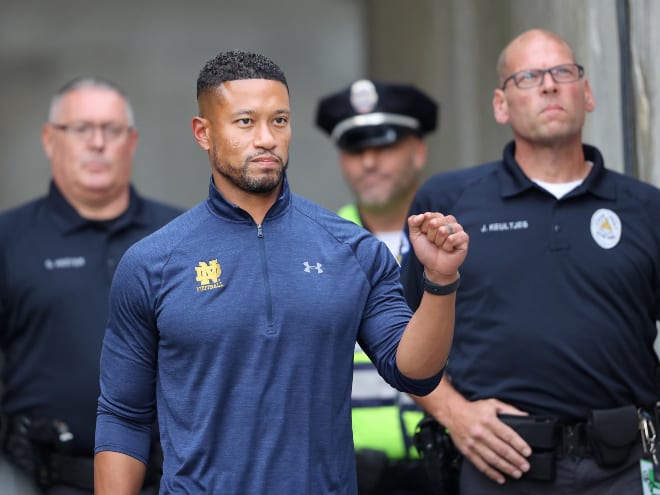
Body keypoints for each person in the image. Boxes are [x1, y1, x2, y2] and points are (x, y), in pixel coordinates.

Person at [93, 50, 469, 494]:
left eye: (280, 121)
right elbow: (122, 415)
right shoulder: (152, 262)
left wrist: (440, 281)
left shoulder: (352, 249)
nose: (267, 138)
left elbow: (414, 372)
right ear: (204, 133)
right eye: (245, 122)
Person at [401, 28, 660, 495]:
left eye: (563, 72)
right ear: (501, 104)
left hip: (624, 469)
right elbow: (398, 331)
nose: (548, 85)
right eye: (529, 77)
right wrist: (453, 414)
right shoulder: (449, 201)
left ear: (588, 93)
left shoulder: (645, 208)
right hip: (500, 467)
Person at [0, 76, 183, 495]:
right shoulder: (9, 240)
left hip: (171, 482)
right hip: (41, 481)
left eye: (112, 130)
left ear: (132, 142)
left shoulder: (181, 235)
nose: (97, 143)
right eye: (81, 129)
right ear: (50, 140)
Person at [316, 80, 439, 494]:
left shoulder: (452, 239)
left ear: (419, 151)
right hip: (349, 476)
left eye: (384, 146)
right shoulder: (317, 247)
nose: (369, 162)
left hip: (446, 465)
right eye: (354, 150)